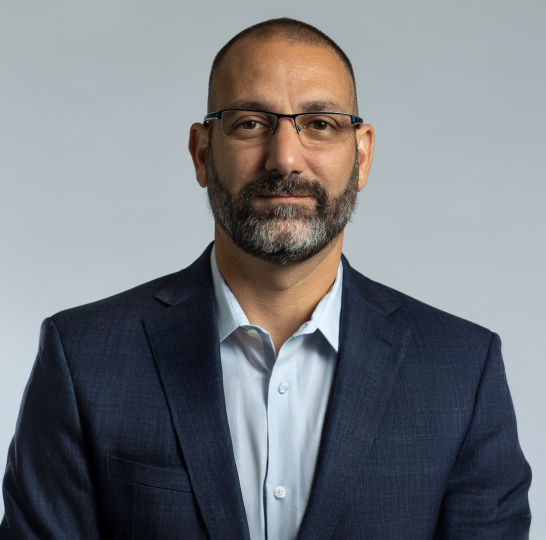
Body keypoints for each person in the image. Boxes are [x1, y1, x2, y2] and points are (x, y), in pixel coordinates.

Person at [0, 17, 531, 540]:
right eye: (251, 123)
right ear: (202, 153)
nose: (285, 159)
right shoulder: (83, 359)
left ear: (362, 154)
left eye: (320, 124)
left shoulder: (463, 371)